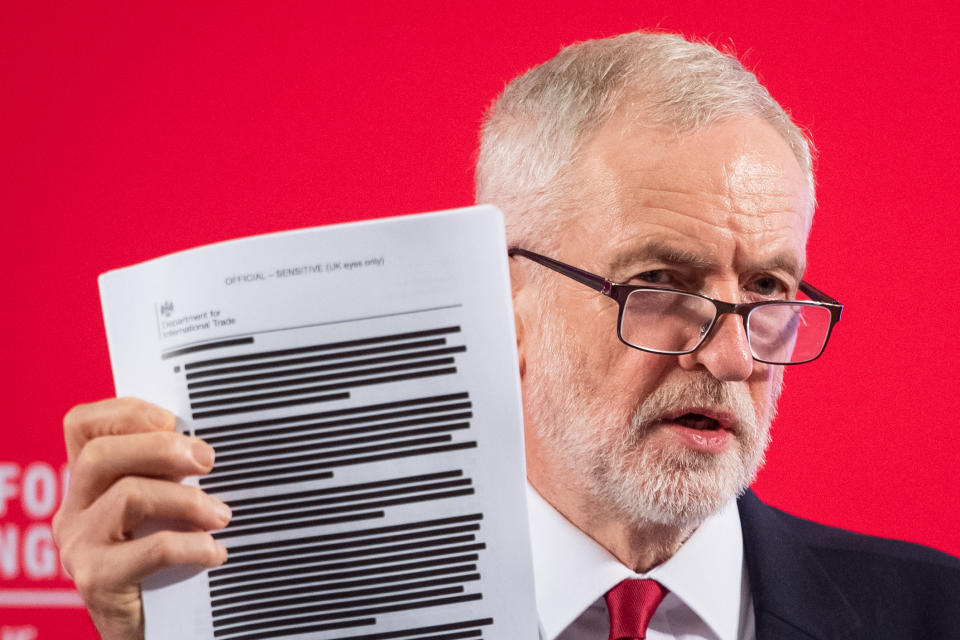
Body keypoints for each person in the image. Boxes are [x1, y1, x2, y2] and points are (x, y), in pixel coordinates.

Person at [54, 30, 960, 640]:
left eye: (768, 287)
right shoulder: (313, 614)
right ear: (503, 297)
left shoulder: (934, 612)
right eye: (660, 286)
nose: (732, 356)